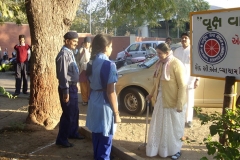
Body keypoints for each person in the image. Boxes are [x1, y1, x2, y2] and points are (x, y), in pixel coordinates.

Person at [146, 43, 187, 159]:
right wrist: (151, 94)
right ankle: (160, 149)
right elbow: (157, 82)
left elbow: (182, 85)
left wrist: (179, 103)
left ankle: (176, 150)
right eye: (157, 53)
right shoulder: (160, 63)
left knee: (174, 128)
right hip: (161, 100)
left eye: (159, 53)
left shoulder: (176, 64)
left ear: (167, 53)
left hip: (173, 102)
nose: (158, 55)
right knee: (159, 126)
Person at [85, 34, 121, 160]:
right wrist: (116, 113)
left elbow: (88, 84)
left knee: (96, 134)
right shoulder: (109, 65)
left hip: (94, 100)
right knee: (106, 138)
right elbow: (111, 92)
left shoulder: (90, 62)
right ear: (105, 47)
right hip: (105, 104)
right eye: (110, 46)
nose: (111, 49)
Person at [55, 31, 85, 148]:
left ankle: (73, 132)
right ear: (67, 41)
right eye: (74, 41)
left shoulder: (70, 53)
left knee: (75, 111)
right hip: (66, 88)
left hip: (72, 86)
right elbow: (62, 75)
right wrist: (65, 91)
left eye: (77, 42)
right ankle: (62, 139)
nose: (76, 44)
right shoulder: (63, 55)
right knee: (68, 114)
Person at [173, 32, 200, 128]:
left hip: (190, 80)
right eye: (182, 38)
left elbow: (197, 66)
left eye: (186, 38)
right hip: (178, 80)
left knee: (189, 100)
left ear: (190, 40)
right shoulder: (176, 51)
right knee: (179, 99)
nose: (184, 39)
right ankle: (178, 119)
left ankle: (188, 120)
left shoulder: (194, 51)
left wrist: (197, 79)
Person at [76, 37, 91, 106]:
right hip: (82, 71)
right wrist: (81, 65)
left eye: (88, 42)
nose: (87, 44)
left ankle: (90, 99)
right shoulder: (81, 51)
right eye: (86, 43)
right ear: (84, 43)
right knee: (83, 87)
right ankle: (85, 100)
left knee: (89, 86)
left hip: (90, 71)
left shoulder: (92, 51)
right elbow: (77, 60)